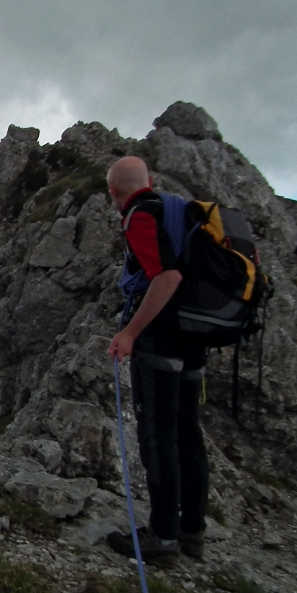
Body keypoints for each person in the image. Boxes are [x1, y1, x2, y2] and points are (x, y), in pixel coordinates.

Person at [105, 156, 208, 568]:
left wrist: (130, 333)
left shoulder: (139, 217)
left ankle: (162, 537)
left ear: (115, 193)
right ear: (149, 180)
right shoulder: (178, 211)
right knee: (188, 433)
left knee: (158, 435)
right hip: (195, 338)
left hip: (162, 342)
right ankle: (192, 532)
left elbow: (167, 277)